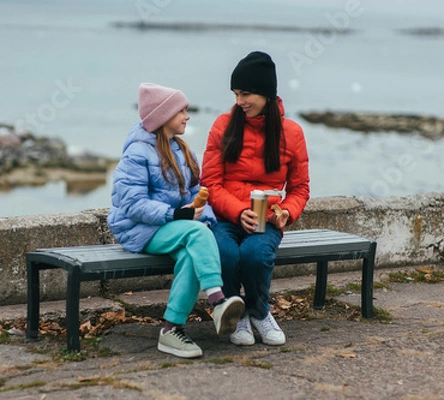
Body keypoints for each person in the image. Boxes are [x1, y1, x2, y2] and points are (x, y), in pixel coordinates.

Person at [107, 83, 245, 358]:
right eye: (181, 110)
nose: (187, 115)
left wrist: (198, 214)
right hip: (139, 230)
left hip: (173, 227)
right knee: (196, 235)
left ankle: (171, 330)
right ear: (162, 116)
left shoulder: (182, 151)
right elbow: (132, 204)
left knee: (190, 255)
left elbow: (197, 196)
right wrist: (176, 215)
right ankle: (217, 301)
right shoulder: (136, 153)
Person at [201, 51, 310, 346]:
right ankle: (236, 316)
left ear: (266, 93)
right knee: (225, 253)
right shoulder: (223, 125)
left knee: (254, 255)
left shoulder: (292, 133)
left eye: (246, 93)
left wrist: (286, 211)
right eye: (236, 94)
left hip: (267, 219)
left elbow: (300, 188)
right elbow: (210, 181)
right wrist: (237, 212)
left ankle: (260, 311)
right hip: (226, 216)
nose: (239, 101)